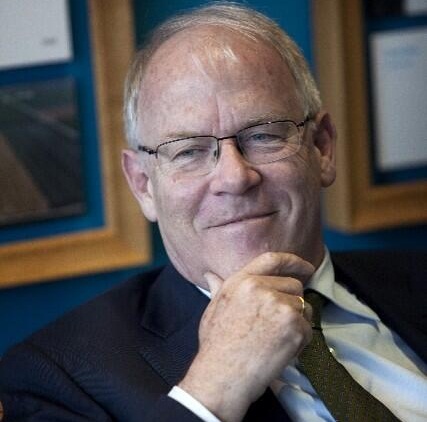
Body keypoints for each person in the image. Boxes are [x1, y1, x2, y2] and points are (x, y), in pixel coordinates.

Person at [0, 3, 426, 422]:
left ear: (322, 149)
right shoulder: (56, 380)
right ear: (143, 185)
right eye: (188, 151)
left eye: (263, 135)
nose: (235, 178)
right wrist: (213, 390)